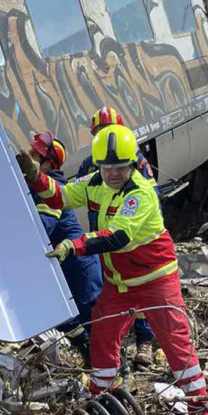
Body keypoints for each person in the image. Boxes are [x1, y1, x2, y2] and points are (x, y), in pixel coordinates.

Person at [18, 125, 208, 415]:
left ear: (132, 164)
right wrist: (35, 175)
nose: (112, 173)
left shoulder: (140, 193)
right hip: (120, 283)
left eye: (120, 167)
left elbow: (118, 236)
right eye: (107, 167)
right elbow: (61, 196)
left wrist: (74, 245)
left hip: (155, 281)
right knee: (103, 332)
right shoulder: (95, 182)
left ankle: (203, 411)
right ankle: (103, 394)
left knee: (175, 343)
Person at [76, 107, 157, 366]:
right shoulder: (89, 165)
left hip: (129, 240)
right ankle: (115, 349)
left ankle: (145, 341)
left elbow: (151, 199)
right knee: (109, 293)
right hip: (102, 241)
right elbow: (81, 192)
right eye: (100, 132)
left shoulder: (136, 162)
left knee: (139, 289)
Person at [28, 131, 103, 364]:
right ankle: (92, 359)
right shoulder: (37, 187)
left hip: (81, 267)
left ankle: (116, 371)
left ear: (47, 164)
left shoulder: (54, 188)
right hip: (66, 265)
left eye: (34, 155)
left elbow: (43, 226)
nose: (29, 158)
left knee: (95, 323)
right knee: (66, 317)